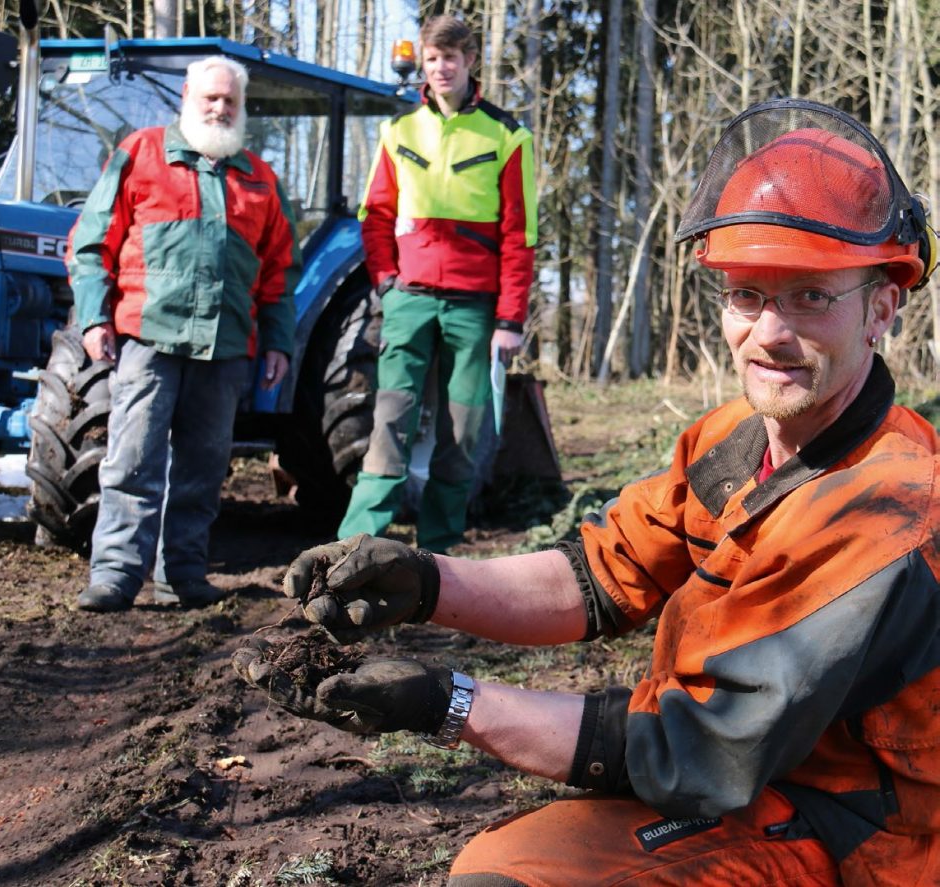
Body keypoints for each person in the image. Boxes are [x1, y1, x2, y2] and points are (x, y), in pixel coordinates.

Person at [234, 98, 940, 885]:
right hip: (753, 788)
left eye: (810, 296)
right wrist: (426, 581)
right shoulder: (733, 440)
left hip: (853, 839)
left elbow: (699, 744)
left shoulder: (888, 507)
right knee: (507, 865)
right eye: (747, 294)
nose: (769, 333)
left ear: (882, 307)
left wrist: (446, 701)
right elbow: (600, 572)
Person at [68, 56, 301, 612]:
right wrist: (93, 318)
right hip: (149, 337)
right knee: (133, 460)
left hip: (224, 345)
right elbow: (91, 243)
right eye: (210, 98)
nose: (220, 108)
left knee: (203, 466)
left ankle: (183, 575)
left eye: (230, 101)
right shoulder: (141, 153)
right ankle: (116, 575)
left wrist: (278, 341)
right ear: (187, 99)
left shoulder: (259, 178)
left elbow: (280, 270)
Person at [337, 15, 538, 553]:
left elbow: (520, 234)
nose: (441, 67)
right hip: (409, 301)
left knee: (462, 430)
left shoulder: (507, 136)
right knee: (389, 420)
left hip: (474, 309)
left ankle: (437, 555)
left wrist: (509, 319)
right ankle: (355, 547)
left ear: (470, 60)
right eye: (432, 58)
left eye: (450, 57)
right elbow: (375, 215)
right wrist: (386, 281)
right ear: (423, 63)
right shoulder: (398, 132)